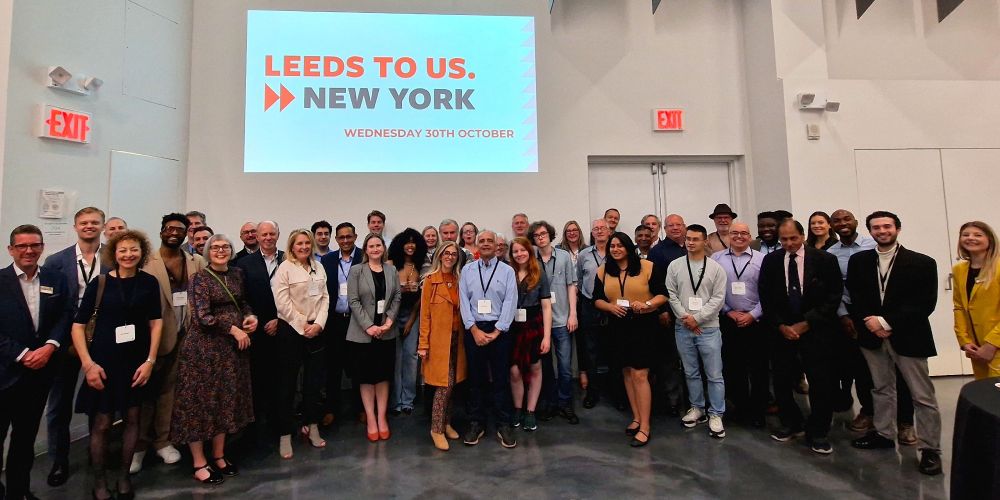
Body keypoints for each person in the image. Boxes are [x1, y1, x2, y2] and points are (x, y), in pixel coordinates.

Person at [846, 211, 942, 476]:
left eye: (887, 226)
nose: (882, 231)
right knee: (881, 388)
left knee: (922, 395)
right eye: (876, 227)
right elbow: (856, 295)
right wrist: (871, 323)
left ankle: (931, 449)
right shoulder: (860, 261)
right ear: (870, 231)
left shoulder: (922, 263)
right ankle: (884, 434)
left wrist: (886, 322)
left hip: (909, 336)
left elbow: (925, 304)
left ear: (897, 229)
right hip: (871, 335)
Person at [72, 230, 163, 500]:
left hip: (136, 362)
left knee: (134, 419)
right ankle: (99, 481)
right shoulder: (99, 283)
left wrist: (150, 360)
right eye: (123, 250)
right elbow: (78, 327)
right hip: (102, 362)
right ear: (114, 253)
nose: (128, 254)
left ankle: (124, 477)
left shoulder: (149, 283)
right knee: (101, 423)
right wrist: (88, 364)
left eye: (133, 249)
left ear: (142, 251)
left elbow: (156, 322)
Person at [170, 234, 257, 484]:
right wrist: (234, 329)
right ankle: (199, 462)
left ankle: (219, 455)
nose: (221, 250)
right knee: (199, 405)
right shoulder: (199, 279)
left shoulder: (237, 274)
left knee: (224, 402)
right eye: (215, 247)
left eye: (225, 246)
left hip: (230, 353)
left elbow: (242, 303)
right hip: (204, 351)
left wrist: (251, 318)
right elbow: (202, 317)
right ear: (207, 252)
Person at [1, 224, 72, 500]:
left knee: (24, 440)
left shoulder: (55, 277)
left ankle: (18, 492)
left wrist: (50, 346)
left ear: (42, 247)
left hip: (39, 375)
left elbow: (65, 314)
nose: (29, 250)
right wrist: (22, 354)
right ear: (11, 250)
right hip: (5, 373)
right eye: (22, 246)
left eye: (35, 245)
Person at [759, 219, 842, 454]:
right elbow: (765, 297)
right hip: (783, 332)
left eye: (793, 238)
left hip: (815, 331)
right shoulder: (771, 261)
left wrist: (808, 323)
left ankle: (818, 431)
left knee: (820, 383)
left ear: (803, 236)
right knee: (783, 381)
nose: (789, 244)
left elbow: (833, 296)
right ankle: (791, 423)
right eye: (784, 239)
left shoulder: (825, 260)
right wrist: (781, 325)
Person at [131, 214, 206, 474]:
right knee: (145, 395)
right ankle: (138, 447)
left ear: (187, 234)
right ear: (162, 231)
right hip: (155, 338)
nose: (175, 233)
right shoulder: (146, 262)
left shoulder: (196, 261)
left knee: (169, 393)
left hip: (187, 336)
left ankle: (163, 441)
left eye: (180, 230)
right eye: (170, 229)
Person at [43, 207, 110, 487]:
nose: (89, 226)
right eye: (84, 223)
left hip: (104, 339)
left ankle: (99, 457)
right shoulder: (56, 261)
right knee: (59, 403)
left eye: (95, 222)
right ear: (75, 226)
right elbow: (51, 305)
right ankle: (59, 460)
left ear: (103, 226)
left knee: (100, 401)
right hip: (67, 340)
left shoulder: (114, 256)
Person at [593, 232, 668, 447]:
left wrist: (648, 305)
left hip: (643, 326)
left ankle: (645, 426)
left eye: (619, 245)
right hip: (617, 326)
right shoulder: (603, 271)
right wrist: (609, 306)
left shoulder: (648, 267)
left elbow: (663, 294)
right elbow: (596, 299)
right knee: (626, 371)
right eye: (612, 246)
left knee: (640, 374)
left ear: (628, 247)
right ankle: (636, 418)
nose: (615, 249)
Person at [459, 230, 519, 448]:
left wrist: (497, 331)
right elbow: (463, 301)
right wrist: (473, 329)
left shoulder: (507, 271)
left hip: (499, 330)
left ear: (497, 246)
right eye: (481, 241)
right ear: (476, 245)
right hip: (474, 329)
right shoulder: (467, 270)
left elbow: (511, 301)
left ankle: (503, 423)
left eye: (489, 241)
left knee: (501, 379)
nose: (485, 244)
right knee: (476, 379)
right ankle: (476, 422)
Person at [273, 229, 330, 458]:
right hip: (291, 332)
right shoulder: (285, 268)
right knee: (287, 385)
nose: (304, 247)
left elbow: (325, 297)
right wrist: (302, 325)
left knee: (314, 384)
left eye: (307, 243)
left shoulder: (319, 266)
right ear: (292, 246)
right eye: (300, 244)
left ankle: (312, 427)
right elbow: (282, 303)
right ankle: (285, 435)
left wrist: (318, 324)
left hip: (316, 331)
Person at [667, 225, 728, 438]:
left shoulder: (716, 268)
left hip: (708, 328)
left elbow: (718, 299)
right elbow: (671, 294)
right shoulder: (675, 266)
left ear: (705, 242)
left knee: (714, 374)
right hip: (683, 327)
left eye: (695, 239)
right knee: (690, 371)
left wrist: (698, 318)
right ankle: (697, 408)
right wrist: (686, 317)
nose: (690, 242)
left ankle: (716, 413)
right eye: (688, 239)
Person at [828, 209, 883, 433]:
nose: (843, 224)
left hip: (874, 311)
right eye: (837, 221)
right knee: (855, 365)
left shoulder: (873, 245)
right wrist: (843, 315)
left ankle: (885, 414)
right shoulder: (831, 253)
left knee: (877, 367)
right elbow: (835, 288)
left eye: (846, 219)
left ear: (856, 222)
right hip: (847, 313)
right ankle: (867, 411)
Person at [711, 221, 767, 429]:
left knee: (759, 369)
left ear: (750, 236)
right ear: (729, 236)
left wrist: (753, 314)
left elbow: (768, 293)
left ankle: (758, 411)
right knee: (734, 368)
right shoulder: (716, 259)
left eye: (744, 233)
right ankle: (741, 408)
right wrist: (728, 310)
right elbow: (714, 291)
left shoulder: (763, 259)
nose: (739, 236)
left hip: (756, 322)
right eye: (735, 233)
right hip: (729, 320)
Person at [347, 233, 401, 442]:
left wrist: (388, 322)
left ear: (383, 248)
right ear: (366, 249)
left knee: (383, 376)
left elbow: (397, 296)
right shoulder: (356, 271)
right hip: (363, 334)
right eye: (371, 246)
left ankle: (381, 418)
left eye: (379, 245)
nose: (375, 249)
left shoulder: (392, 270)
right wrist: (369, 326)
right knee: (366, 378)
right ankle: (370, 418)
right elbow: (353, 300)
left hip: (386, 333)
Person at [234, 221, 283, 445]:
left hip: (284, 327)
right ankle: (254, 426)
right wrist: (257, 319)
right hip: (257, 330)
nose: (267, 237)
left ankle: (278, 423)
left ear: (278, 235)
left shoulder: (288, 259)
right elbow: (242, 298)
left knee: (281, 378)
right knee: (256, 379)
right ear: (258, 236)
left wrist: (279, 320)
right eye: (264, 234)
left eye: (272, 234)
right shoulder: (244, 264)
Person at [418, 242, 467, 451]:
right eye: (446, 253)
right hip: (438, 342)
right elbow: (425, 315)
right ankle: (436, 429)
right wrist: (423, 344)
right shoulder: (430, 281)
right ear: (439, 255)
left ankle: (447, 423)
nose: (449, 257)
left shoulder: (459, 279)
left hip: (458, 340)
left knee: (453, 383)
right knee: (443, 385)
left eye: (453, 254)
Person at [530, 220, 580, 425]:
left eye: (543, 234)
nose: (540, 237)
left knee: (566, 366)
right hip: (539, 322)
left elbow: (571, 286)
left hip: (561, 320)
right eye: (536, 235)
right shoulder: (529, 258)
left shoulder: (564, 257)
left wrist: (573, 314)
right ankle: (549, 403)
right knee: (545, 366)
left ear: (550, 235)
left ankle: (565, 403)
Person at [319, 222, 364, 425]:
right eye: (341, 237)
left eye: (349, 237)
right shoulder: (327, 260)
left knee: (358, 367)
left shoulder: (364, 257)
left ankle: (360, 409)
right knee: (333, 367)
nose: (345, 240)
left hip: (358, 321)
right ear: (336, 240)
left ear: (355, 237)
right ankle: (331, 409)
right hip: (334, 321)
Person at [507, 237, 552, 432]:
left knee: (535, 368)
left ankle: (530, 411)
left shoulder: (539, 273)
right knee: (514, 370)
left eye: (522, 250)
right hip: (512, 327)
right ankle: (517, 408)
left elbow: (546, 306)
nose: (519, 254)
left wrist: (547, 337)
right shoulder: (508, 272)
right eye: (515, 251)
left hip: (534, 325)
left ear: (529, 251)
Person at [646, 214, 687, 415]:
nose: (675, 228)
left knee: (693, 360)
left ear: (684, 226)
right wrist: (661, 311)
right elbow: (654, 285)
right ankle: (673, 401)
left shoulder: (692, 246)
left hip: (697, 314)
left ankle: (694, 401)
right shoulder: (658, 252)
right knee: (670, 360)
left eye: (678, 224)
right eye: (670, 225)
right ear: (665, 228)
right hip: (669, 313)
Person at [387, 228, 428, 415]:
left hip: (414, 314)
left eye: (413, 242)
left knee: (411, 358)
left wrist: (411, 321)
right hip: (392, 316)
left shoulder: (421, 267)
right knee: (395, 359)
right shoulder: (391, 265)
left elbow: (423, 297)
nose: (410, 245)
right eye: (406, 242)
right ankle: (395, 401)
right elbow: (386, 295)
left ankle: (408, 400)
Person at [952, 221, 1000, 379]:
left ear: (990, 240)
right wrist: (964, 341)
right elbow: (959, 307)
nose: (970, 238)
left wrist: (992, 344)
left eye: (978, 235)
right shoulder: (959, 270)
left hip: (994, 343)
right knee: (986, 396)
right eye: (965, 235)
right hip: (976, 347)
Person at [576, 218, 610, 409]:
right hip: (589, 306)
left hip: (613, 306)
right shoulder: (584, 255)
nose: (599, 231)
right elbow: (580, 279)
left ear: (609, 230)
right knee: (591, 351)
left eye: (602, 228)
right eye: (596, 228)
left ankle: (617, 392)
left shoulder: (616, 251)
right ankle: (593, 392)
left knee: (614, 348)